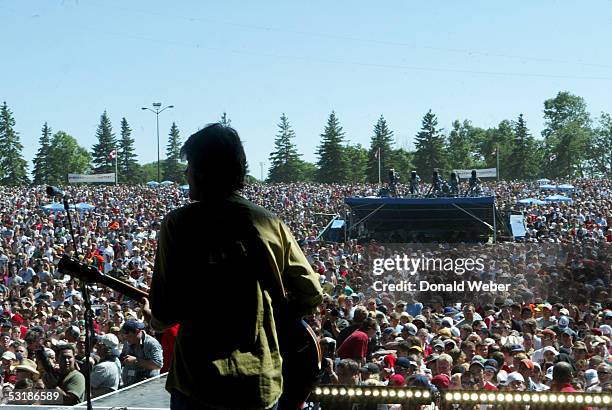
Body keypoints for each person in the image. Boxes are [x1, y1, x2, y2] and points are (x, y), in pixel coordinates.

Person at [149, 123, 323, 410]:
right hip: (259, 384)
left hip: (200, 383)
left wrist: (154, 318)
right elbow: (311, 291)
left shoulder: (180, 224)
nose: (186, 173)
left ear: (205, 171)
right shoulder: (269, 222)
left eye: (190, 165)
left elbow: (165, 312)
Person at [119, 319, 162, 387]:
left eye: (129, 336)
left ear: (137, 332)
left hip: (146, 387)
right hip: (129, 384)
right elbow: (123, 356)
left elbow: (157, 365)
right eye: (125, 336)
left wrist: (135, 360)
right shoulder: (127, 342)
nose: (126, 339)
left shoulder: (151, 343)